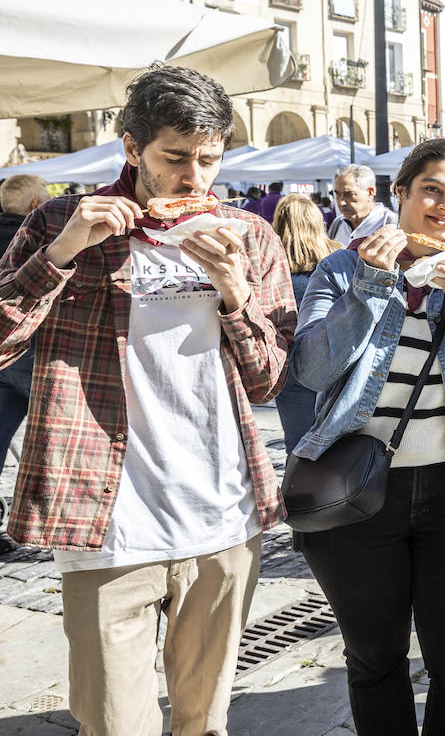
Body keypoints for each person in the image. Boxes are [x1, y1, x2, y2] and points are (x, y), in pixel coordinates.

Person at [0, 65, 296, 734]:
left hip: (224, 518)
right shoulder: (58, 220)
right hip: (108, 524)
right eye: (176, 157)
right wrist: (67, 249)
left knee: (204, 723)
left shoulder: (250, 237)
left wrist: (235, 297)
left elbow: (269, 380)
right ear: (131, 148)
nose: (196, 177)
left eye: (211, 159)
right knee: (113, 724)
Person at [292, 137, 445, 735]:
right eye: (431, 190)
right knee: (376, 662)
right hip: (357, 501)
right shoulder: (342, 269)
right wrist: (373, 285)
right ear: (398, 194)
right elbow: (310, 371)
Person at [0, 174, 48, 554]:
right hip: (33, 350)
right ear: (35, 205)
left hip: (2, 354)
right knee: (63, 436)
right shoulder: (40, 236)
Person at [271, 193, 341, 452]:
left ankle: (300, 491)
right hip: (334, 358)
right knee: (340, 445)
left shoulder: (271, 263)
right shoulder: (338, 256)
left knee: (299, 446)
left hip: (289, 366)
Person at [328, 164, 398, 245]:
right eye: (337, 194)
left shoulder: (391, 223)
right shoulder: (338, 224)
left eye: (349, 194)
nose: (341, 202)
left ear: (370, 192)